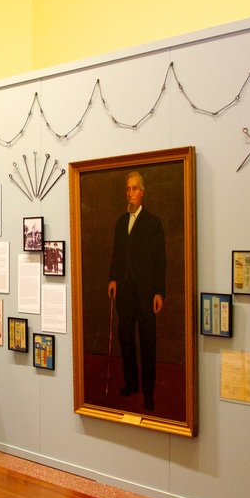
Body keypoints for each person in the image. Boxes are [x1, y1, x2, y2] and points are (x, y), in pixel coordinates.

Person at [108, 171, 166, 410]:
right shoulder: (121, 222)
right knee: (126, 341)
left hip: (145, 294)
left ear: (142, 192)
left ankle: (149, 393)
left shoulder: (153, 223)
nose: (129, 193)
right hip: (125, 294)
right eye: (127, 189)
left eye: (133, 189)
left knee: (147, 344)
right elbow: (117, 256)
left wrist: (159, 292)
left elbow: (160, 260)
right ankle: (131, 384)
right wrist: (113, 279)